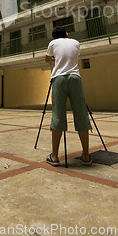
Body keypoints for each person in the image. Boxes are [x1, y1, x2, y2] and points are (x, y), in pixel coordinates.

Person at [45, 26, 92, 166]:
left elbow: (47, 59)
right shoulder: (76, 42)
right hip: (75, 78)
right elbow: (72, 56)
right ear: (66, 34)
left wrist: (54, 60)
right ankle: (85, 155)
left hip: (59, 78)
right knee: (81, 114)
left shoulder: (52, 43)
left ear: (54, 36)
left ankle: (54, 156)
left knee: (58, 114)